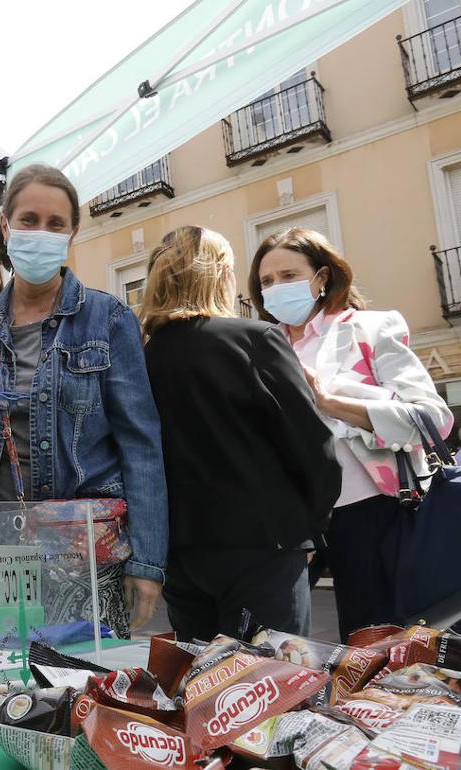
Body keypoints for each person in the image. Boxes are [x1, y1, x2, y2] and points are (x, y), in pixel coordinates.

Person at [0, 163, 167, 635]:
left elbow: (140, 444)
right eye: (29, 220)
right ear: (5, 225)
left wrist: (147, 562)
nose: (41, 233)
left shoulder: (108, 319)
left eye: (56, 224)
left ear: (72, 233)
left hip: (85, 549)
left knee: (81, 688)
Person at [249, 227, 452, 642]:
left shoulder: (370, 330)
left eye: (288, 276)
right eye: (267, 282)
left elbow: (433, 418)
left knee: (374, 643)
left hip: (370, 510)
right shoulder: (263, 348)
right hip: (294, 521)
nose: (276, 288)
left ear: (322, 278)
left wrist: (331, 403)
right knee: (275, 644)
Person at [142, 226, 340, 642]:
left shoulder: (142, 356)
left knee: (201, 689)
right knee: (272, 688)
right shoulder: (256, 339)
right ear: (220, 276)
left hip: (179, 554)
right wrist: (310, 530)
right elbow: (315, 447)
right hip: (264, 546)